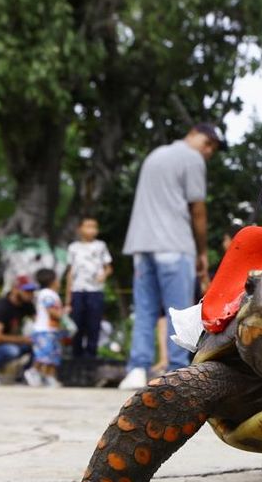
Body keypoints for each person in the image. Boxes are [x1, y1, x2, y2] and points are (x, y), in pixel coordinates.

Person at [119, 123, 223, 390]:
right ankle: (175, 372)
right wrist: (202, 251)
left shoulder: (155, 156)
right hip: (175, 246)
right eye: (209, 145)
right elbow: (197, 209)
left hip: (142, 246)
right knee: (177, 312)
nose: (209, 152)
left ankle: (137, 369)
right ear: (198, 137)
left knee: (144, 311)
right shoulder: (193, 158)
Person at [65, 216, 113, 359]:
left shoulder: (101, 246)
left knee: (94, 324)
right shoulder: (73, 248)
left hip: (95, 291)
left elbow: (109, 267)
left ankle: (91, 355)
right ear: (80, 229)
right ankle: (76, 355)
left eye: (94, 227)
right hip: (78, 291)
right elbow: (70, 273)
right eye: (88, 226)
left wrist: (103, 275)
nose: (92, 230)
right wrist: (68, 299)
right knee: (77, 324)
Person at [0, 275, 36, 385]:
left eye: (32, 291)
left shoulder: (27, 304)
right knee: (12, 351)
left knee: (38, 345)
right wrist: (22, 339)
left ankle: (21, 377)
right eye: (27, 290)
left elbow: (39, 320)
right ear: (15, 289)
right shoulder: (1, 308)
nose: (30, 294)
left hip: (10, 342)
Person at [26, 268, 66, 387]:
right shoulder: (47, 294)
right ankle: (33, 371)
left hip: (52, 330)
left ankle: (49, 376)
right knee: (44, 354)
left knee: (53, 355)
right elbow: (51, 311)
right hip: (44, 330)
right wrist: (64, 316)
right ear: (53, 281)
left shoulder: (52, 294)